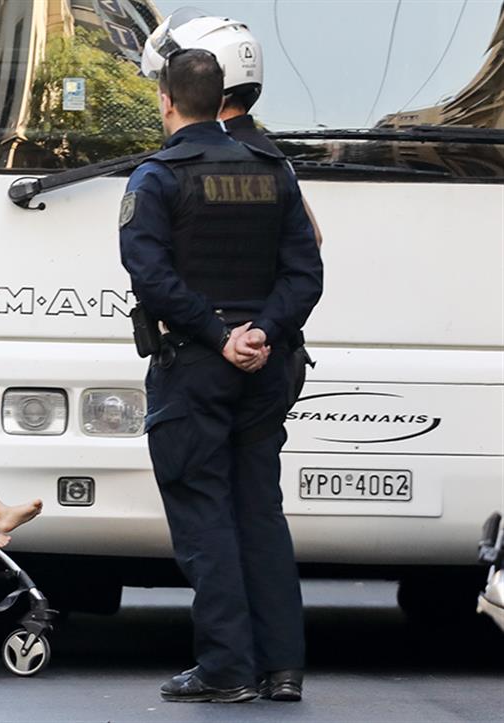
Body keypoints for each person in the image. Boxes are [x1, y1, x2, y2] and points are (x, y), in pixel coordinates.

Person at [119, 50, 322, 703]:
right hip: (268, 365)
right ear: (225, 98)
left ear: (166, 100)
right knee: (260, 508)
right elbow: (305, 272)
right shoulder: (274, 171)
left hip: (196, 366)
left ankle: (227, 667)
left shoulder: (158, 177)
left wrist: (217, 334)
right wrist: (262, 329)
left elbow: (149, 274)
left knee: (204, 510)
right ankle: (282, 667)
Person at [140, 10, 323, 410]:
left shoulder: (193, 161)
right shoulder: (266, 154)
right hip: (265, 353)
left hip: (205, 356)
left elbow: (153, 270)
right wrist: (261, 332)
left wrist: (226, 338)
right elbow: (308, 254)